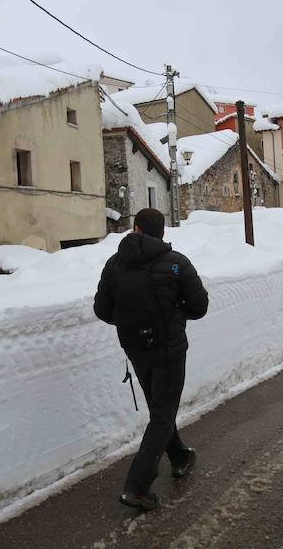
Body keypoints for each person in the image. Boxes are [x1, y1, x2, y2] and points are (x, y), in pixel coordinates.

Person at [94, 208, 209, 511]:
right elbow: (200, 307)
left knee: (160, 408)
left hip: (135, 349)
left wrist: (128, 319)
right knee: (162, 413)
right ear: (162, 233)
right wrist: (176, 313)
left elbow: (102, 311)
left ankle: (179, 455)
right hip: (169, 350)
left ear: (135, 229)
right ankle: (137, 487)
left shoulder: (114, 264)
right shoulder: (176, 263)